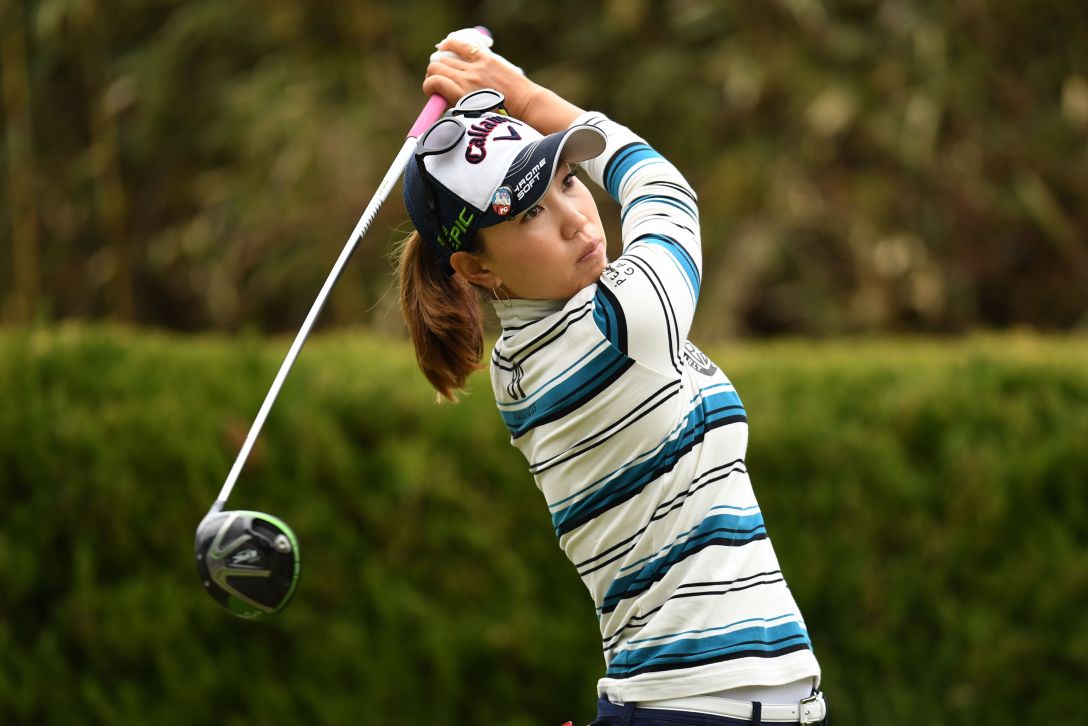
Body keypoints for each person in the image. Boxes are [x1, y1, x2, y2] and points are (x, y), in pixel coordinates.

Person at [397, 29, 827, 726]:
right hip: (695, 710)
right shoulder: (611, 327)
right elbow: (665, 191)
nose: (576, 220)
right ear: (477, 269)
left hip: (704, 707)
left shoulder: (527, 354)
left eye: (568, 180)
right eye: (530, 212)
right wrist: (529, 98)